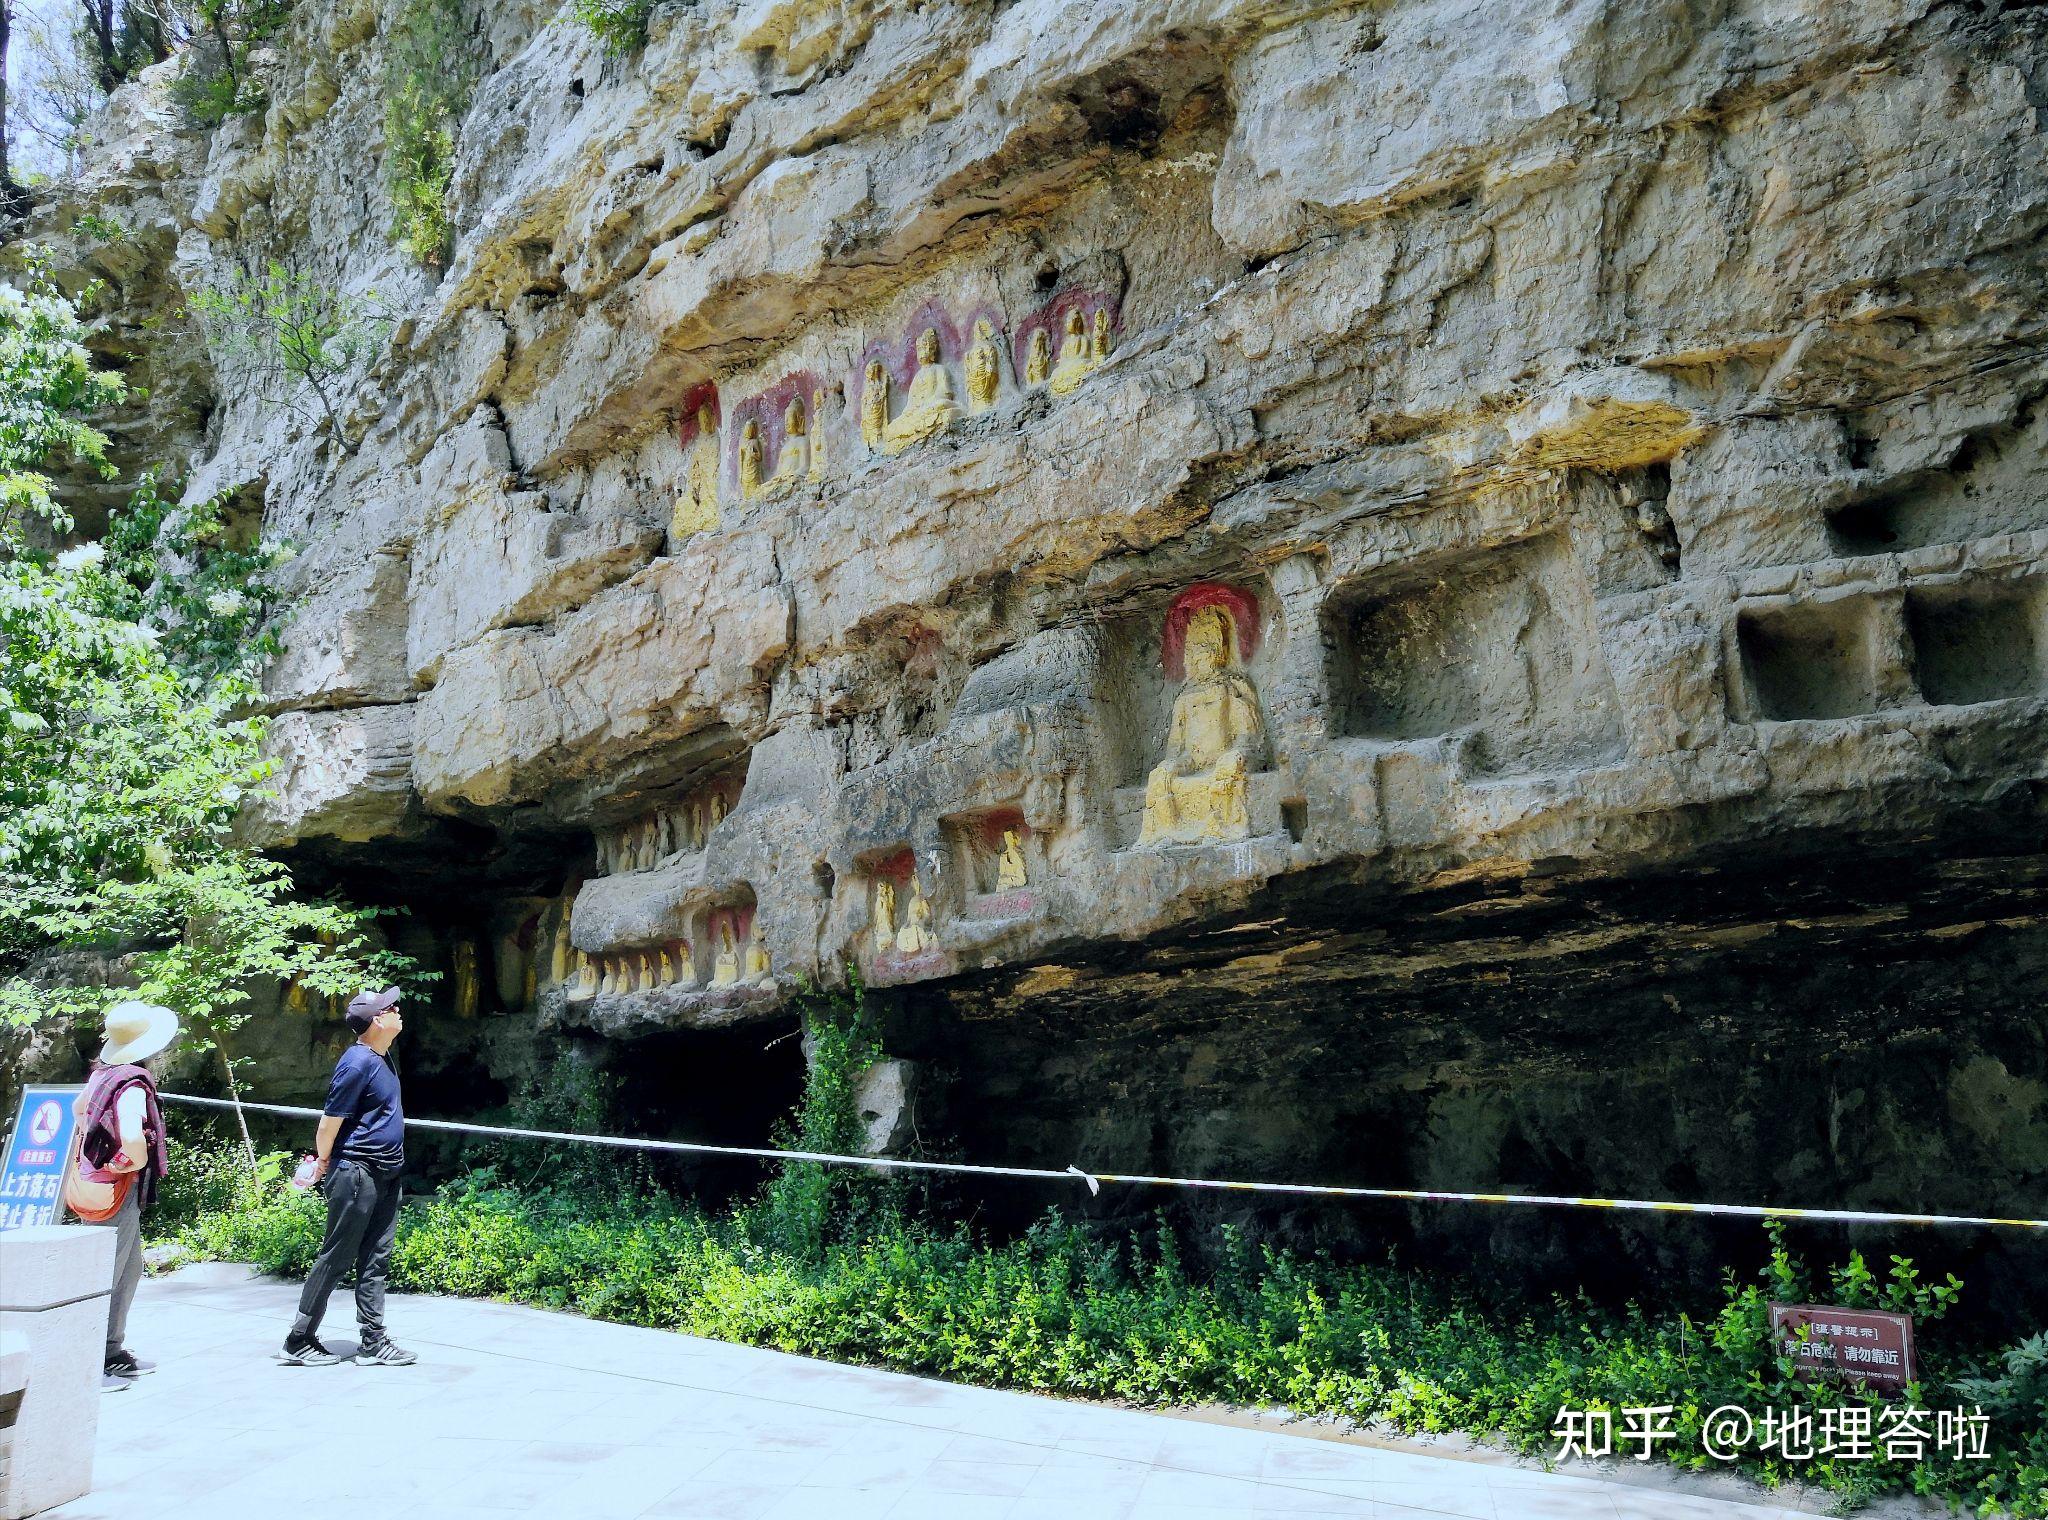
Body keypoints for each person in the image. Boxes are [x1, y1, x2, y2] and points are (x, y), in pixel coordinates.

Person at [279, 987, 415, 1367]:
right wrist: (322, 1162)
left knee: (376, 1257)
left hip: (387, 1172)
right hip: (357, 1173)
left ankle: (373, 1340)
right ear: (376, 1021)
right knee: (337, 1256)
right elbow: (329, 1123)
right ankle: (299, 1338)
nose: (398, 1010)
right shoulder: (357, 1063)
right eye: (391, 1008)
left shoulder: (382, 1058)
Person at [73, 1000, 178, 1392]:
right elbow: (134, 1139)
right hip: (114, 1191)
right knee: (108, 1274)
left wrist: (91, 1151)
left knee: (129, 1268)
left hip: (100, 1187)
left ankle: (111, 1352)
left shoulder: (103, 1074)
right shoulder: (132, 1083)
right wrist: (124, 1160)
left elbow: (78, 1110)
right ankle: (90, 1363)